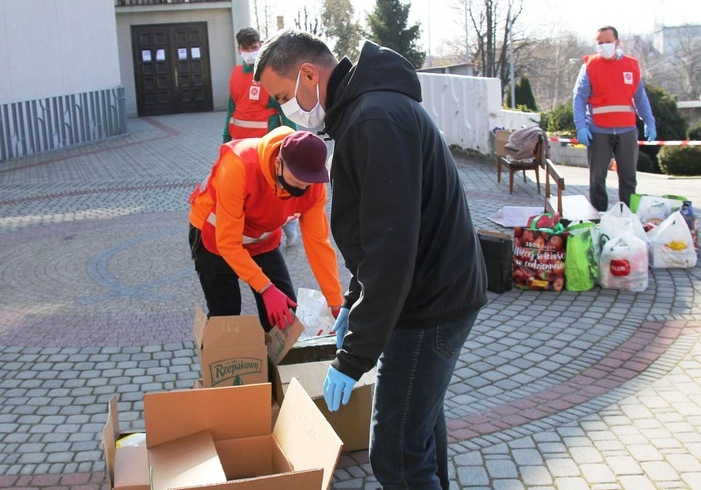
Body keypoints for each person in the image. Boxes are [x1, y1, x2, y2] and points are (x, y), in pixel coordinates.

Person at [255, 29, 488, 489]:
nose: (284, 110)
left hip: (428, 305)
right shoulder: (367, 113)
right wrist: (354, 299)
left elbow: (391, 250)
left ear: (308, 74)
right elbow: (379, 234)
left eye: (283, 96)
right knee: (417, 435)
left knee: (397, 456)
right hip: (432, 294)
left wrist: (353, 357)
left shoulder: (373, 120)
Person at [188, 127, 342, 331]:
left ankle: (274, 361)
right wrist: (266, 288)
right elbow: (227, 242)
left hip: (261, 239)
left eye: (308, 184)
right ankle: (217, 357)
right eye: (296, 182)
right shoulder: (239, 166)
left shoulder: (313, 186)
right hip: (213, 236)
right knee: (225, 314)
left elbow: (318, 245)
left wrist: (335, 302)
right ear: (278, 164)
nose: (302, 190)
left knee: (284, 316)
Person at [223, 27, 299, 246]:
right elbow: (231, 109)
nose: (250, 51)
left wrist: (291, 139)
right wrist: (225, 139)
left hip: (266, 145)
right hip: (239, 146)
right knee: (247, 190)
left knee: (273, 187)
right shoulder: (236, 74)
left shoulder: (269, 74)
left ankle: (288, 223)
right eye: (245, 48)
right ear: (239, 49)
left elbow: (284, 108)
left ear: (260, 45)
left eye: (254, 47)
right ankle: (250, 230)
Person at [573, 25, 657, 212]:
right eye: (599, 43)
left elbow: (640, 97)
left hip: (626, 130)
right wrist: (580, 126)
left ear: (617, 42)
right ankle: (598, 216)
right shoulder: (590, 66)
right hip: (598, 130)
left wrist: (649, 121)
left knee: (628, 178)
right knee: (597, 179)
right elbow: (579, 97)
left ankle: (628, 216)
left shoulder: (631, 65)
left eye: (608, 42)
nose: (603, 46)